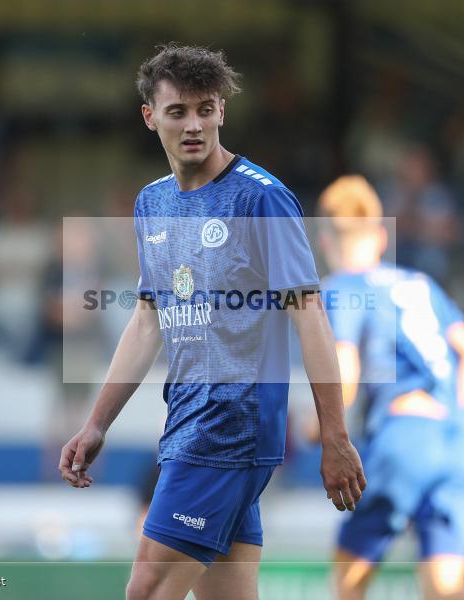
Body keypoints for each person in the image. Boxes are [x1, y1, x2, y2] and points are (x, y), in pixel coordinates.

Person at [58, 45, 366, 600]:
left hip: (229, 429)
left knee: (146, 590)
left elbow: (310, 317)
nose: (194, 124)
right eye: (178, 112)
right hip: (188, 421)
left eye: (206, 109)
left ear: (222, 110)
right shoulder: (152, 204)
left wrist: (335, 437)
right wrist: (97, 422)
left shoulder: (262, 199)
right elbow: (149, 321)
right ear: (150, 116)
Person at [317, 175, 464, 600]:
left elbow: (346, 373)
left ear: (324, 241)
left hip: (403, 440)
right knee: (444, 592)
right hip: (459, 446)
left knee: (347, 583)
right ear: (378, 235)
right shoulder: (419, 284)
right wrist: (452, 415)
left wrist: (318, 427)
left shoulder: (343, 288)